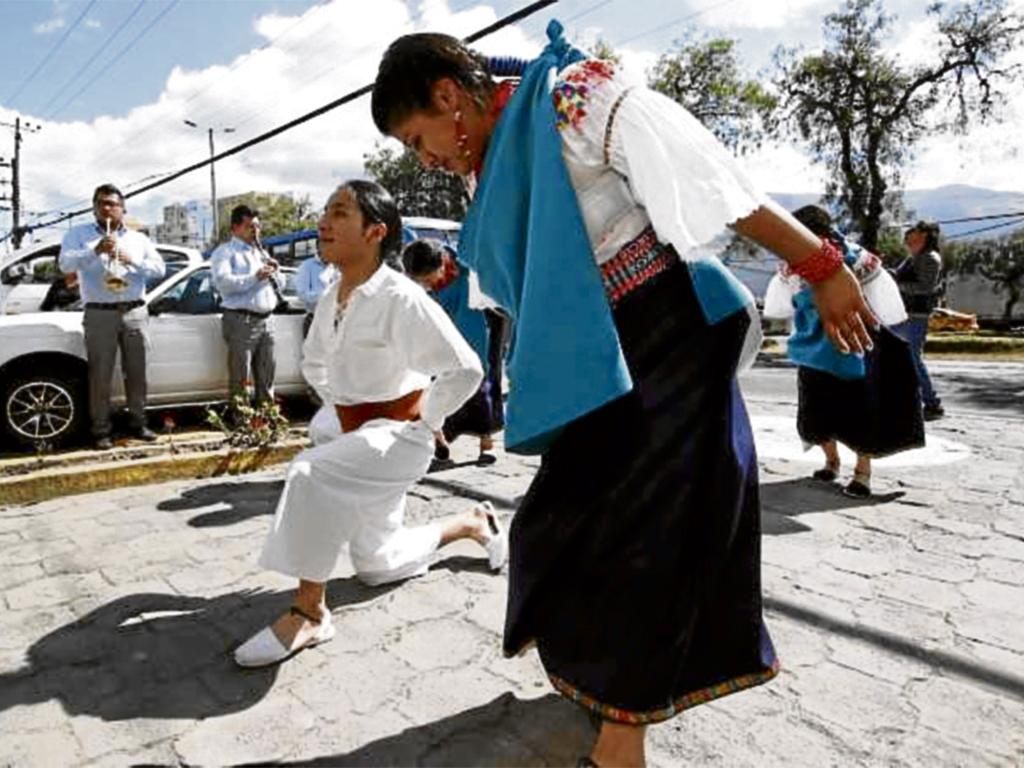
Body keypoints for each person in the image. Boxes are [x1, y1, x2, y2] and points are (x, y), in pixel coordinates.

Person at [372, 24, 878, 767]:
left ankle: (620, 741)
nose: (428, 159)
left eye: (420, 138)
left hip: (671, 340)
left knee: (653, 542)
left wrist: (822, 263)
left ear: (450, 97)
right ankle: (600, 682)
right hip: (594, 362)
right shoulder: (494, 160)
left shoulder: (577, 98)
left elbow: (716, 186)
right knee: (558, 525)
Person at [234, 180, 508, 668]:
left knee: (310, 473)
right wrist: (342, 406)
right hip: (351, 435)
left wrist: (426, 415)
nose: (324, 222)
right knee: (377, 566)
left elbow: (466, 368)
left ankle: (310, 612)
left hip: (398, 439)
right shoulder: (333, 295)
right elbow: (315, 363)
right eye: (326, 211)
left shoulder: (400, 297)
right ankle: (471, 523)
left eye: (340, 213)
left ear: (375, 231)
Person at [764, 205, 924, 498]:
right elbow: (783, 306)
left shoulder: (854, 262)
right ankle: (841, 467)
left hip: (848, 345)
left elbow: (779, 307)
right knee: (829, 409)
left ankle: (853, 471)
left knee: (844, 410)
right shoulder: (800, 265)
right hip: (830, 347)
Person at [58, 184, 165, 449]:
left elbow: (159, 269)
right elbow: (65, 264)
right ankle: (101, 430)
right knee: (100, 373)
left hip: (134, 311)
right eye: (101, 203)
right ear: (94, 207)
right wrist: (94, 251)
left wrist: (131, 260)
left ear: (123, 209)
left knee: (137, 372)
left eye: (112, 204)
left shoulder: (138, 239)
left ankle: (139, 423)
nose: (107, 208)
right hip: (99, 312)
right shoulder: (78, 234)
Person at [402, 238, 505, 464]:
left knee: (482, 379)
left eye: (429, 280)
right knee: (440, 383)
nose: (426, 286)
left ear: (443, 264)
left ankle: (487, 443)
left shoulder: (466, 265)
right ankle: (440, 441)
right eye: (421, 283)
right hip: (445, 327)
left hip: (480, 320)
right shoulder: (415, 279)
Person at [210, 205, 283, 409]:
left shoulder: (261, 252)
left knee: (267, 374)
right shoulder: (225, 252)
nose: (256, 231)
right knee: (241, 375)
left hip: (267, 320)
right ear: (235, 228)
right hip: (241, 320)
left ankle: (267, 419)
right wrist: (255, 277)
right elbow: (223, 283)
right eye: (250, 226)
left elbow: (281, 286)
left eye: (258, 226)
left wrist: (276, 272)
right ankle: (241, 420)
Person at [894, 220, 945, 420]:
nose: (909, 237)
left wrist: (897, 284)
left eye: (915, 233)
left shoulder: (930, 258)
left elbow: (925, 287)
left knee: (913, 360)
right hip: (903, 315)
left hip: (916, 316)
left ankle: (932, 404)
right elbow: (900, 278)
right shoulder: (913, 257)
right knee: (898, 359)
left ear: (924, 236)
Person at [294, 249, 338, 338]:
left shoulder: (336, 267)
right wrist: (326, 295)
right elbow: (302, 294)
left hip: (335, 320)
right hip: (315, 320)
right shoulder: (307, 265)